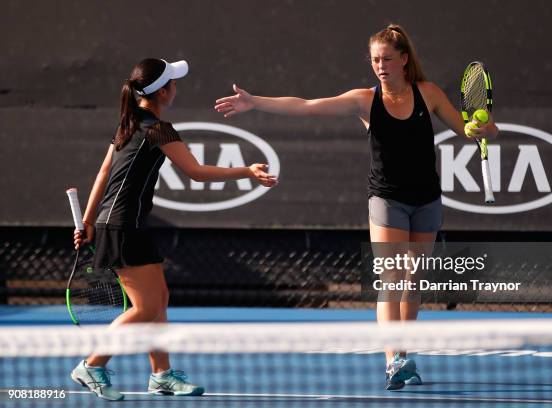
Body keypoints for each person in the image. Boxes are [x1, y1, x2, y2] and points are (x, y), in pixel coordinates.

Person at [215, 24, 498, 390]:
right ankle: (393, 360)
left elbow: (470, 131)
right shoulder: (365, 100)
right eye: (376, 60)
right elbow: (306, 106)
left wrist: (485, 129)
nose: (380, 66)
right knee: (391, 278)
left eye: (387, 59)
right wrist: (255, 102)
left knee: (413, 281)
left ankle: (405, 354)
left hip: (426, 200)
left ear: (404, 60)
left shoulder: (428, 94)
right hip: (386, 199)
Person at [71, 58, 277, 401]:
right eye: (173, 83)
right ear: (163, 91)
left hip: (122, 224)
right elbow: (196, 172)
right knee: (145, 308)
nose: (176, 88)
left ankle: (161, 374)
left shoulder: (129, 123)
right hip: (123, 227)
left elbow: (102, 173)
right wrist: (247, 171)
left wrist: (90, 221)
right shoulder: (157, 129)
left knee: (158, 301)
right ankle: (93, 364)